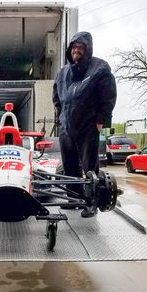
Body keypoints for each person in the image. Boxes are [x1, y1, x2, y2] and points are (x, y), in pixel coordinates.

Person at [53, 31, 117, 217]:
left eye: (81, 47)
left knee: (90, 167)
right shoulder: (63, 72)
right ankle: (73, 198)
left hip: (88, 125)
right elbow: (56, 96)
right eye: (74, 47)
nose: (76, 50)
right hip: (67, 126)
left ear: (87, 50)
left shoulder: (100, 69)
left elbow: (108, 96)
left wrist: (101, 120)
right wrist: (60, 118)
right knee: (69, 166)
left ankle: (91, 203)